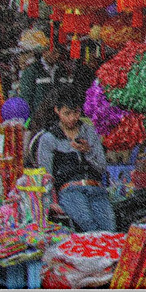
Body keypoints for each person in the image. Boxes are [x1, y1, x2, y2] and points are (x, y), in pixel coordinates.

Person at [35, 86, 115, 232]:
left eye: (76, 112)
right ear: (57, 111)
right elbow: (45, 175)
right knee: (89, 226)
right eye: (67, 113)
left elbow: (102, 167)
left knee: (110, 229)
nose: (72, 118)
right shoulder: (49, 138)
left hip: (96, 188)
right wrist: (50, 202)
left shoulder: (89, 131)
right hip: (70, 191)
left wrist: (88, 152)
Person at [18, 44, 73, 123]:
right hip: (38, 119)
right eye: (53, 53)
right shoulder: (32, 70)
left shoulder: (61, 70)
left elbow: (65, 93)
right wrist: (31, 118)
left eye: (58, 53)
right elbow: (26, 97)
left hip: (57, 119)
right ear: (44, 52)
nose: (56, 56)